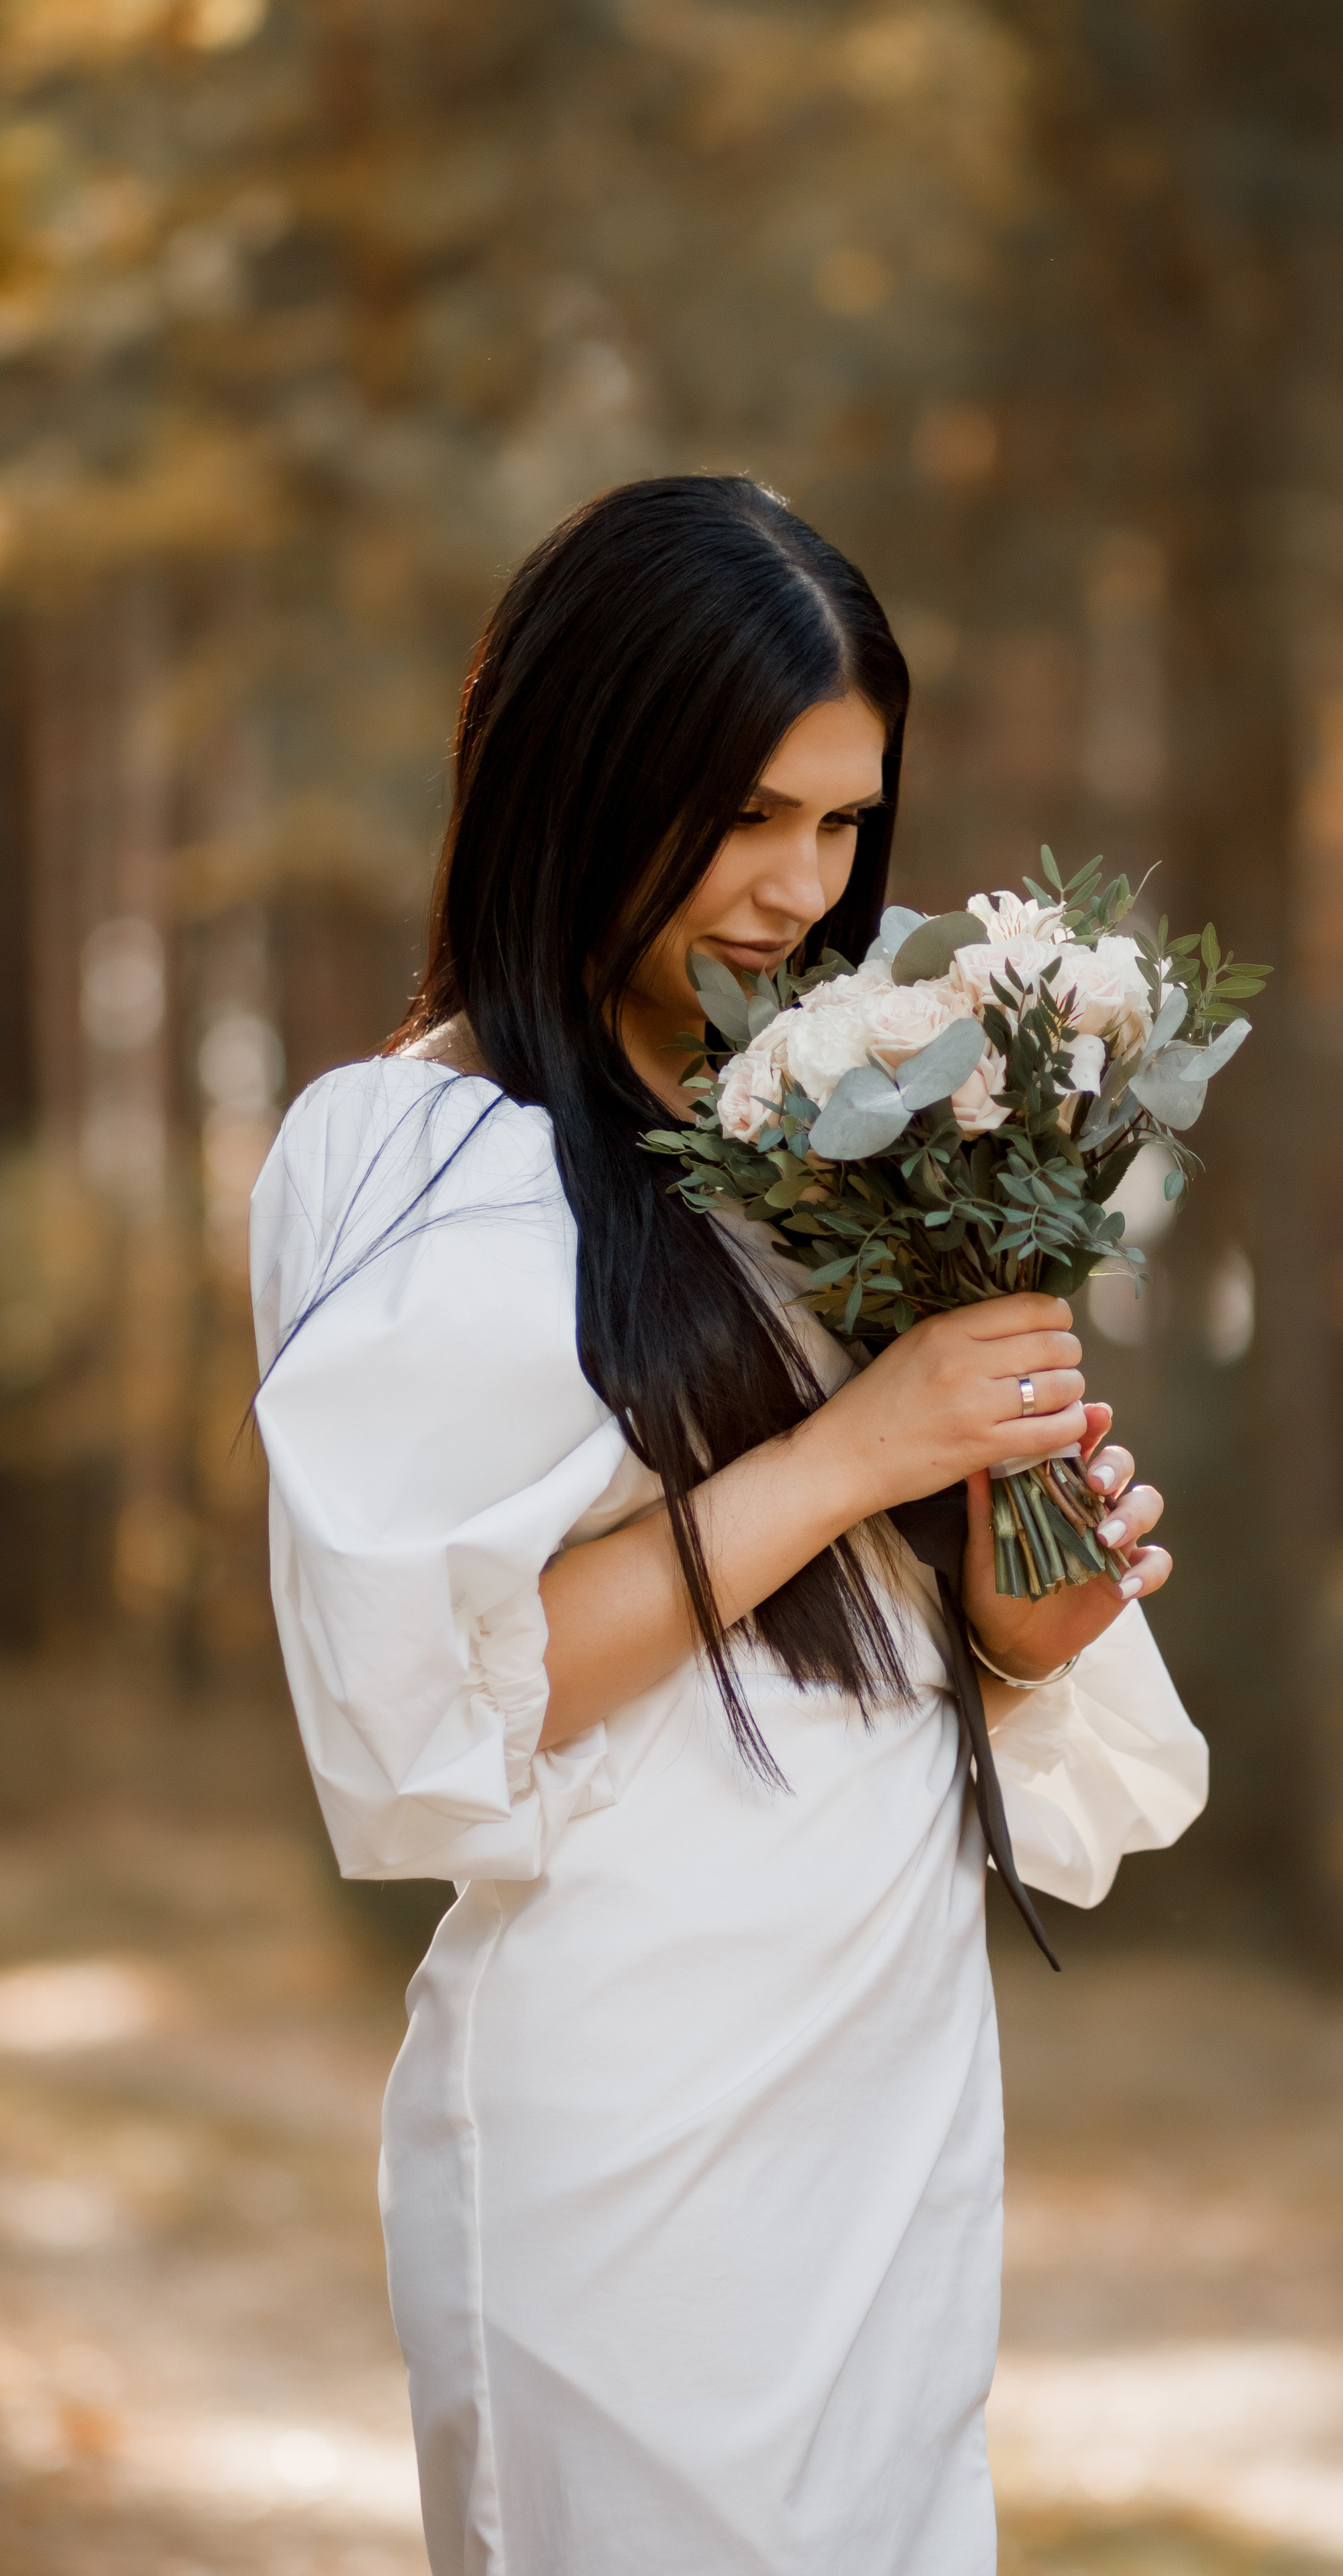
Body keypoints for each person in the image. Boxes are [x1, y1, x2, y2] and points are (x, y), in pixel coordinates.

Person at [250, 475, 1207, 2576]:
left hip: (887, 2054)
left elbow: (929, 1659)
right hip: (632, 2087)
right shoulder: (425, 1154)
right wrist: (858, 1453)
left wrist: (1025, 1601)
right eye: (744, 816)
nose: (800, 888)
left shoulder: (852, 1130)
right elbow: (449, 1699)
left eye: (844, 824)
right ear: (580, 776)